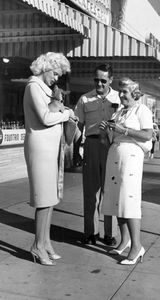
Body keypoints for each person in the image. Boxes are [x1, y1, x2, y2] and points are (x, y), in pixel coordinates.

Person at [24, 52, 75, 265]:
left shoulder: (46, 89)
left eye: (59, 75)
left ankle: (45, 242)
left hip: (50, 149)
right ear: (45, 67)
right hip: (40, 148)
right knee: (44, 199)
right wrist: (68, 114)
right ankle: (37, 245)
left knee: (50, 198)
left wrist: (64, 111)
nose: (57, 78)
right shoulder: (33, 86)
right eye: (55, 73)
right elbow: (45, 118)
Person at [100, 77, 153, 265]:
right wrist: (106, 131)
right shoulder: (120, 112)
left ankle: (137, 247)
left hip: (131, 159)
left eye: (124, 91)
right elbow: (109, 139)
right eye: (120, 91)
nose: (121, 94)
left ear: (134, 93)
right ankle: (124, 241)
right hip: (115, 157)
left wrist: (125, 131)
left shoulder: (142, 110)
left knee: (129, 200)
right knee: (117, 200)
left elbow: (148, 134)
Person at [74, 63, 120, 246]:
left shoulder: (118, 97)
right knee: (90, 192)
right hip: (91, 145)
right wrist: (76, 151)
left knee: (110, 191)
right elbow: (79, 127)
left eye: (103, 80)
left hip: (111, 146)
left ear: (110, 80)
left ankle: (109, 233)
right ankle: (90, 232)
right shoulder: (84, 99)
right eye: (96, 80)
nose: (99, 84)